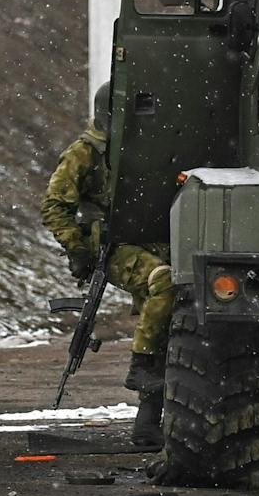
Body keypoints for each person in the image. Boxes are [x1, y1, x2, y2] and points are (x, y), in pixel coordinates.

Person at [41, 85, 174, 446]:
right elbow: (53, 206)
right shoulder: (85, 153)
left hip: (151, 242)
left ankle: (147, 425)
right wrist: (77, 248)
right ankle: (140, 367)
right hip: (111, 245)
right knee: (163, 283)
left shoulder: (145, 148)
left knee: (163, 320)